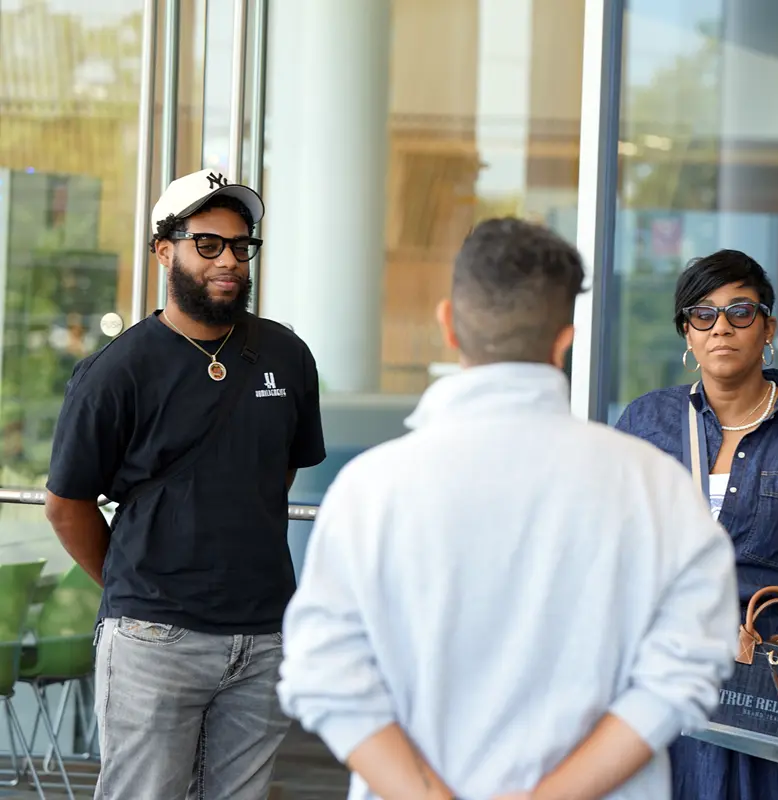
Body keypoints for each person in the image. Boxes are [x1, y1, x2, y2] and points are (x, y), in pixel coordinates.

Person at [276, 217, 740, 800]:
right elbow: (683, 675)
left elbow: (325, 675)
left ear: (448, 324)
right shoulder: (656, 488)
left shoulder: (370, 489)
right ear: (564, 340)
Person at [44, 168, 327, 799]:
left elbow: (276, 469)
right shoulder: (116, 372)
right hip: (154, 638)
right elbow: (66, 506)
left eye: (240, 245)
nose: (228, 260)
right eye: (208, 244)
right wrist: (136, 589)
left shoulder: (286, 355)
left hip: (262, 635)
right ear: (164, 251)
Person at [615, 249, 778, 800]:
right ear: (687, 333)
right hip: (669, 686)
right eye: (702, 314)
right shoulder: (646, 424)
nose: (721, 327)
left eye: (740, 311)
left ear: (768, 328)